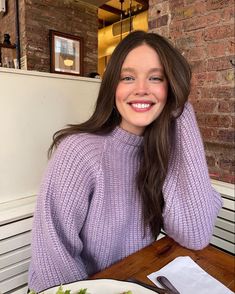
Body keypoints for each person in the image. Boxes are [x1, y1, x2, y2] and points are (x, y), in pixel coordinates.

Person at [28, 30, 222, 291]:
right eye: (128, 77)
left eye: (156, 78)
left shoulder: (160, 152)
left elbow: (196, 235)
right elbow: (53, 257)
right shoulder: (79, 151)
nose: (141, 89)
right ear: (113, 87)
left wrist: (181, 112)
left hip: (134, 280)